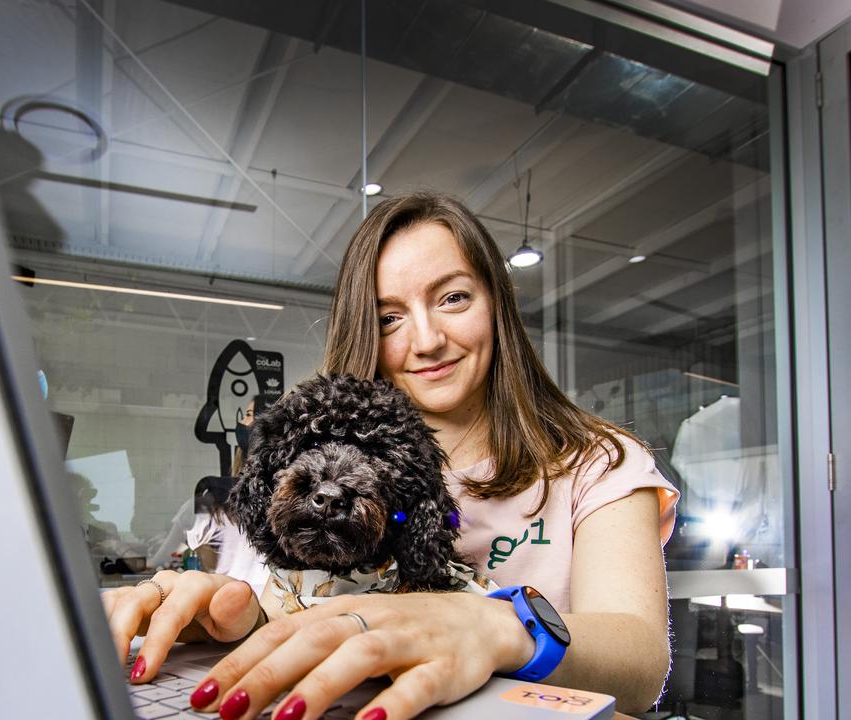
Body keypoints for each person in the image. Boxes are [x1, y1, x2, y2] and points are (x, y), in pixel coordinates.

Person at [102, 191, 679, 720]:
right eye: (389, 318)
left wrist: (494, 625)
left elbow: (640, 666)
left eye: (453, 297)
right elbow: (300, 601)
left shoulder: (599, 463)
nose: (426, 340)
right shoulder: (314, 468)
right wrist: (229, 616)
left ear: (496, 305)